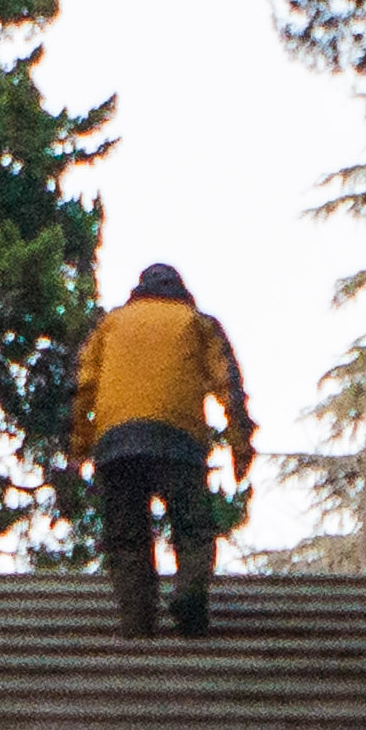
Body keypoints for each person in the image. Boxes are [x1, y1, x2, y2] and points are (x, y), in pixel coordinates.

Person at [76, 260, 254, 636]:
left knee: (127, 541)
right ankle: (189, 595)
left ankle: (137, 627)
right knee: (192, 532)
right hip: (179, 443)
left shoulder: (110, 324)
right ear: (181, 291)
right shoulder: (198, 323)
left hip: (116, 444)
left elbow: (83, 386)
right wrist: (240, 445)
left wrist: (79, 445)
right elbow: (229, 386)